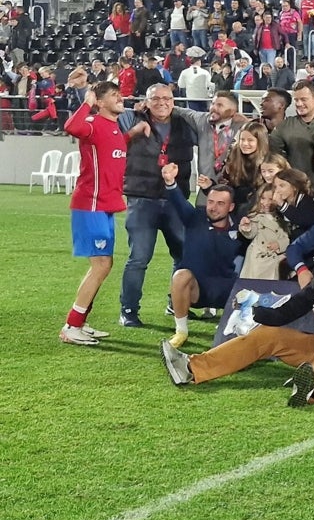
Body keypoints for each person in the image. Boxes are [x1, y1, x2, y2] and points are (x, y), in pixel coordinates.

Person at [161, 241, 314, 408]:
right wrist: (255, 311)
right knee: (268, 334)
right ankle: (191, 368)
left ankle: (309, 390)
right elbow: (288, 311)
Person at [116, 83, 196, 327]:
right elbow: (112, 137)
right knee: (139, 257)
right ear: (146, 101)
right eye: (156, 98)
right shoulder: (131, 119)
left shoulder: (185, 124)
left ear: (174, 100)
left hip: (175, 199)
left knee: (183, 255)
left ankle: (177, 303)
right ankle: (128, 310)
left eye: (167, 98)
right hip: (142, 199)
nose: (162, 102)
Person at [60, 78, 128, 345]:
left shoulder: (114, 128)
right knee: (101, 265)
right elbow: (70, 126)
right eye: (113, 95)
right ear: (100, 102)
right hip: (90, 204)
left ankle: (80, 321)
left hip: (106, 206)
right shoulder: (92, 124)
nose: (119, 97)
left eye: (119, 93)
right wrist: (86, 101)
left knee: (104, 265)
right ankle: (71, 325)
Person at [161, 162, 243, 348]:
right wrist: (170, 182)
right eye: (211, 202)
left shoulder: (242, 227)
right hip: (197, 290)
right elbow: (179, 202)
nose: (213, 207)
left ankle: (241, 329)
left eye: (220, 204)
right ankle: (181, 332)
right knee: (180, 276)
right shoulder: (195, 218)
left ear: (231, 207)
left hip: (229, 293)